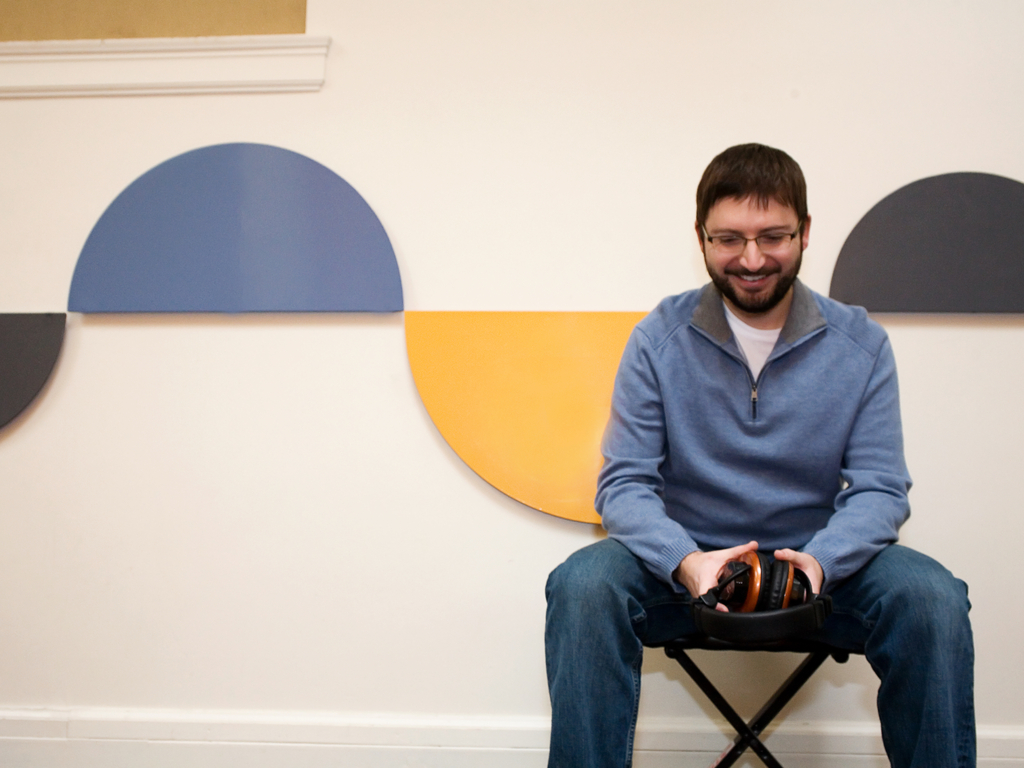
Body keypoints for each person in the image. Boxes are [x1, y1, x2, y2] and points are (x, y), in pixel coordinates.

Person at [544, 143, 975, 768]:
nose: (751, 259)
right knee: (582, 587)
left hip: (821, 565)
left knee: (933, 599)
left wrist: (821, 563)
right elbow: (624, 485)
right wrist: (685, 562)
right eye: (729, 239)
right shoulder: (656, 340)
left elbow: (880, 488)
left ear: (805, 232)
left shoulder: (862, 344)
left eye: (773, 236)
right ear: (700, 237)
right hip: (689, 566)